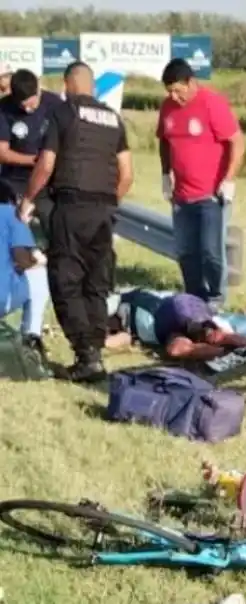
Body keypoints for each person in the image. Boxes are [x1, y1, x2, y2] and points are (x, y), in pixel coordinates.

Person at [17, 61, 133, 382]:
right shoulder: (113, 119)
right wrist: (110, 204)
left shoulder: (63, 114)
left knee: (65, 280)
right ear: (92, 86)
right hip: (103, 212)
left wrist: (28, 199)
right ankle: (93, 352)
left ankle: (87, 355)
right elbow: (127, 174)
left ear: (68, 85)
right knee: (96, 283)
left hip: (72, 207)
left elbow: (46, 164)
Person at [157, 58, 245, 310]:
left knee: (211, 253)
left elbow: (237, 142)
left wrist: (229, 179)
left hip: (210, 194)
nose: (174, 97)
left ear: (191, 82)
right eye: (169, 91)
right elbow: (164, 140)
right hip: (181, 195)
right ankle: (195, 298)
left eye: (178, 90)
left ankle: (216, 298)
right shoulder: (168, 108)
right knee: (186, 252)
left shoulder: (211, 103)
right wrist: (166, 175)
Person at [0, 69, 63, 246]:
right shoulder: (4, 109)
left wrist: (46, 166)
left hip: (47, 184)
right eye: (22, 106)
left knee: (57, 236)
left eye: (31, 104)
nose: (27, 109)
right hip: (13, 182)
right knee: (11, 239)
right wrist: (35, 161)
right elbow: (2, 152)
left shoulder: (56, 105)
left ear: (38, 90)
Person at [105, 289, 246, 361]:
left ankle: (228, 350)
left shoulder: (120, 301)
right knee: (186, 343)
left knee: (181, 346)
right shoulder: (127, 328)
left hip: (167, 314)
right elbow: (122, 338)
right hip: (180, 308)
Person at [0, 179, 51, 376]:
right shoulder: (11, 215)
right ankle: (31, 335)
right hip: (4, 298)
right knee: (39, 273)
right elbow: (22, 260)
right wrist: (40, 260)